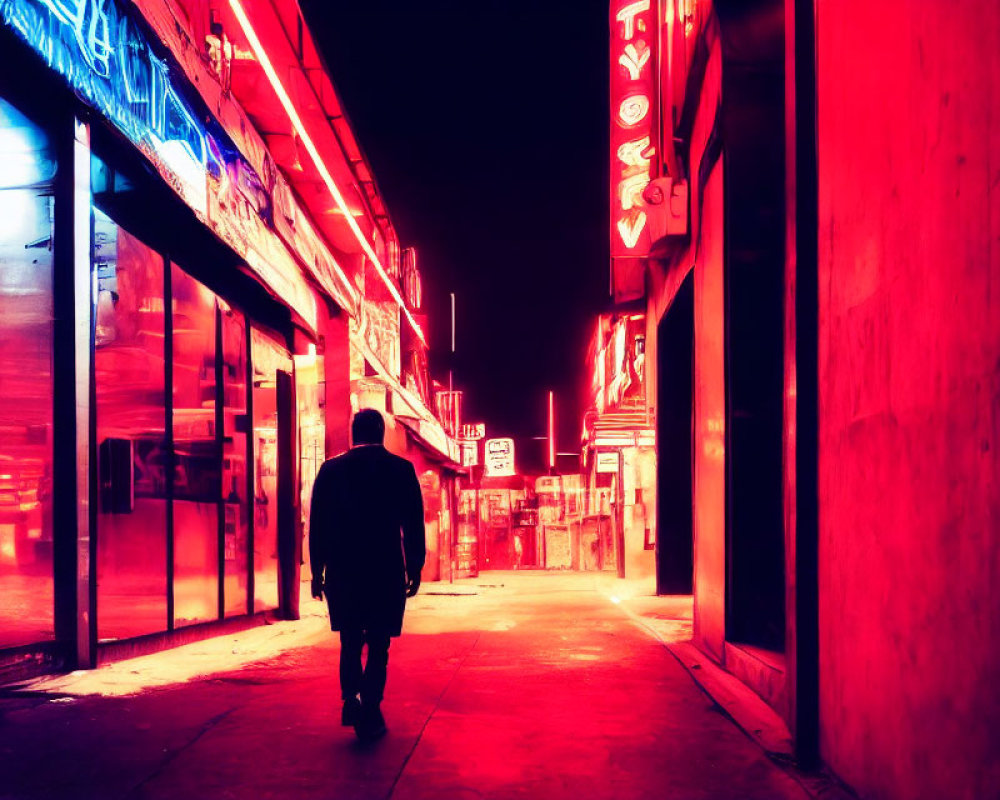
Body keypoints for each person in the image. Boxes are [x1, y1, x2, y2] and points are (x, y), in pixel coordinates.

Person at [309, 409, 425, 741]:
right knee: (378, 643)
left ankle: (351, 698)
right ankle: (370, 704)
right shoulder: (401, 470)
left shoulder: (330, 471)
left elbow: (319, 526)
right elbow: (413, 524)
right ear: (380, 433)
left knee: (349, 640)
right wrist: (414, 566)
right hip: (385, 569)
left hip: (344, 571)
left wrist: (317, 572)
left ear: (353, 434)